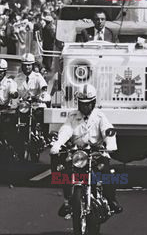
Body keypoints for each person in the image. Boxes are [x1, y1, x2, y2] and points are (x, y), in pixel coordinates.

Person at [50, 84, 122, 217]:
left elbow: (108, 131)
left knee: (107, 174)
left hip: (96, 153)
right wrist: (58, 143)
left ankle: (111, 200)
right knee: (65, 172)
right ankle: (67, 201)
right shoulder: (72, 116)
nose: (85, 106)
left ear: (93, 102)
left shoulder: (100, 117)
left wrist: (110, 144)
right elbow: (66, 130)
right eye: (82, 104)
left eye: (88, 104)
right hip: (78, 154)